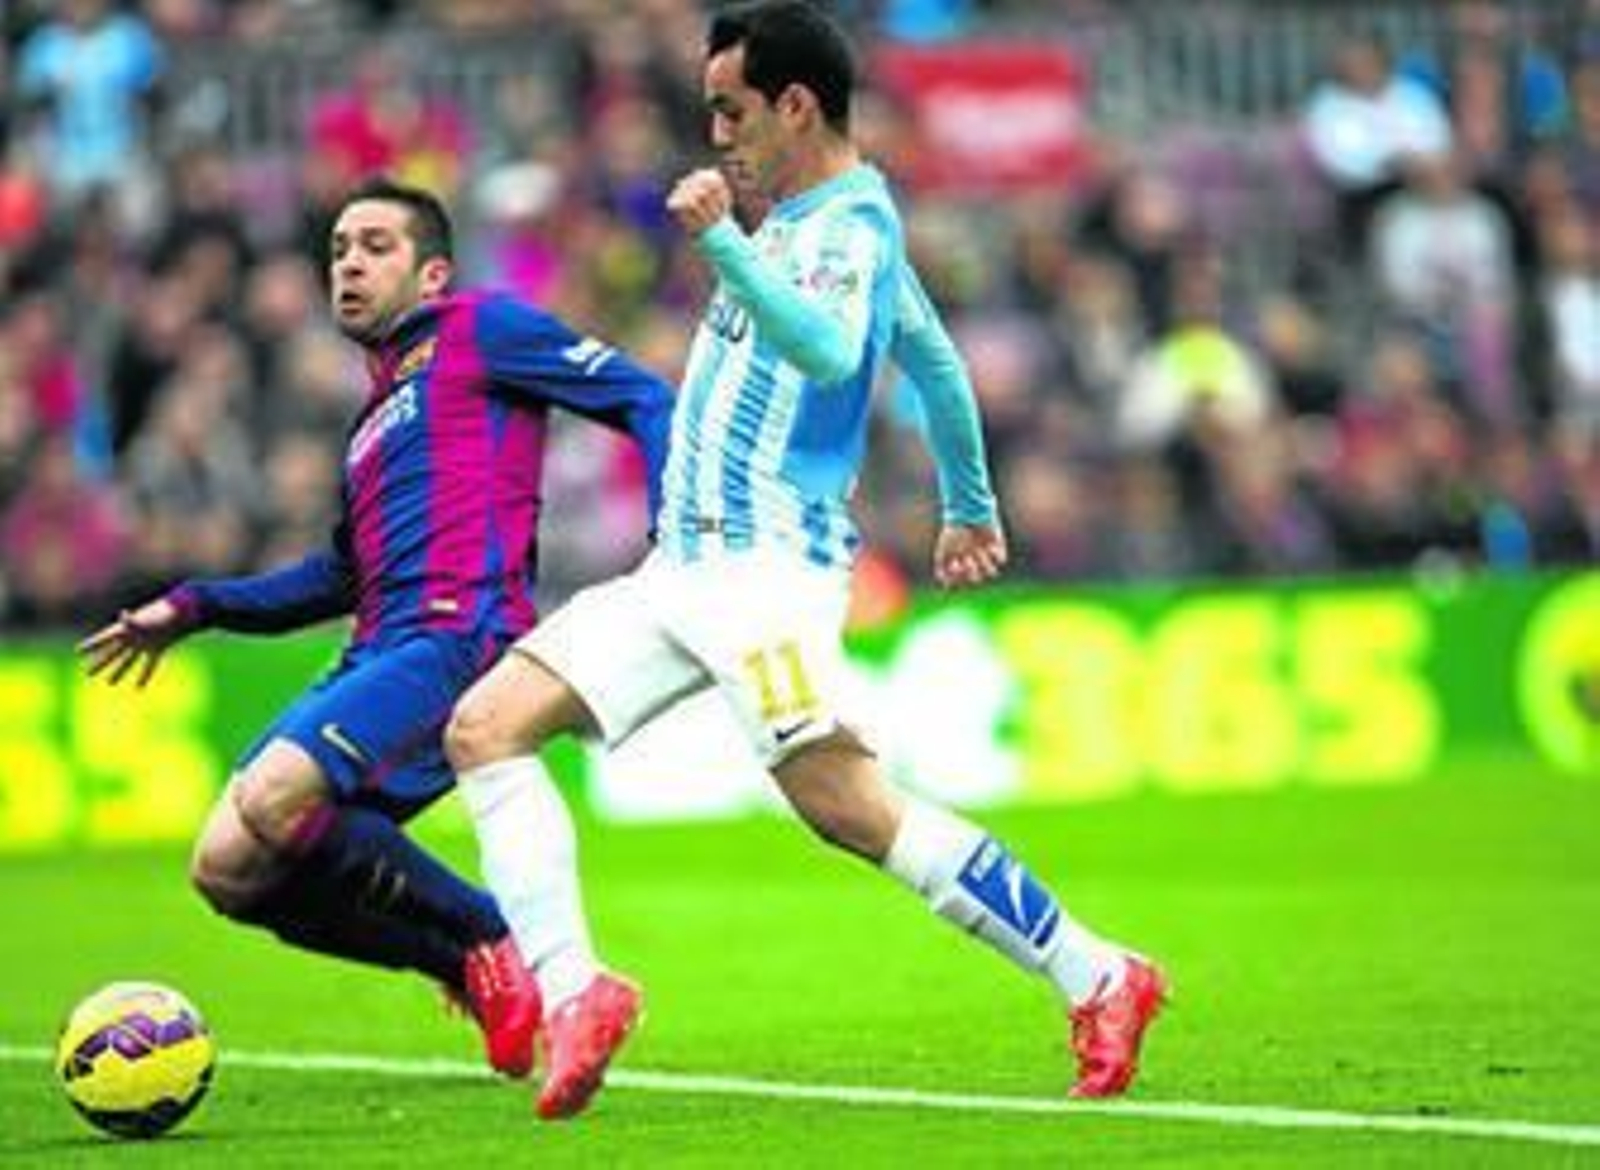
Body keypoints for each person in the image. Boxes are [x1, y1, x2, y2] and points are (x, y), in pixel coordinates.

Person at [444, 0, 1167, 1121]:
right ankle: (579, 990)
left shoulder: (844, 233)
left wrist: (717, 241)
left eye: (731, 111)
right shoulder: (810, 223)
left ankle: (1100, 973)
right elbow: (930, 360)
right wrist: (969, 505)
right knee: (484, 730)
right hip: (679, 570)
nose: (717, 134)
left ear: (795, 104)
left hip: (766, 573)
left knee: (843, 804)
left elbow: (833, 351)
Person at [79, 176, 674, 1081]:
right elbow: (339, 578)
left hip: (457, 635)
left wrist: (673, 537)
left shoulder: (485, 327)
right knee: (227, 867)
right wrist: (195, 605)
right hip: (379, 646)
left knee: (277, 796)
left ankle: (498, 936)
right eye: (338, 250)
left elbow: (645, 397)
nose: (348, 263)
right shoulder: (369, 427)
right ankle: (464, 967)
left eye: (374, 246)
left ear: (433, 272)